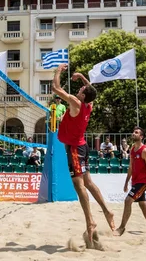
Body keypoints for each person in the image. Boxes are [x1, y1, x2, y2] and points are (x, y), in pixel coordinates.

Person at [52, 64, 115, 247]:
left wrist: (58, 71)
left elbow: (56, 89)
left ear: (82, 95)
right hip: (82, 146)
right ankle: (107, 211)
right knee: (88, 182)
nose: (79, 89)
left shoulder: (76, 103)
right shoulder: (89, 105)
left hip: (74, 149)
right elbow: (92, 91)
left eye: (81, 89)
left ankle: (90, 221)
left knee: (79, 186)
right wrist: (82, 78)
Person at [114, 127, 146, 236]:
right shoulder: (133, 149)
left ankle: (121, 228)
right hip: (135, 181)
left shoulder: (145, 151)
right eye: (134, 132)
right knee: (142, 204)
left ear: (141, 137)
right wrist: (126, 183)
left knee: (128, 201)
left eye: (136, 132)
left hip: (143, 182)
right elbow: (130, 168)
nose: (134, 133)